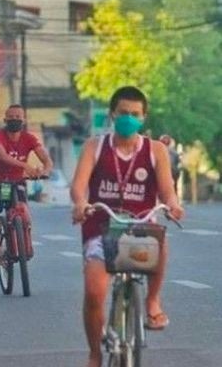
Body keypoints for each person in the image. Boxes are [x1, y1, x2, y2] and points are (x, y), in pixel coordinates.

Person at [70, 86, 184, 367]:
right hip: (102, 227)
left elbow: (167, 191)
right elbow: (79, 187)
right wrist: (81, 204)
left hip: (141, 225)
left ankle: (152, 302)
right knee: (95, 291)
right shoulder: (95, 147)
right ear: (112, 114)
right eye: (123, 113)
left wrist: (173, 205)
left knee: (161, 243)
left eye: (135, 114)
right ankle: (95, 353)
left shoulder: (155, 150)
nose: (128, 118)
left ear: (143, 117)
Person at [0, 104, 53, 265]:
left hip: (17, 184)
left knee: (22, 213)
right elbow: (2, 156)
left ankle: (24, 245)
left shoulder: (29, 138)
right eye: (11, 117)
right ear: (5, 119)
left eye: (18, 117)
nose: (15, 120)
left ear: (24, 120)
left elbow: (46, 159)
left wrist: (46, 170)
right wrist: (25, 166)